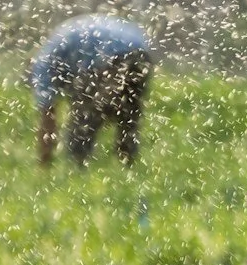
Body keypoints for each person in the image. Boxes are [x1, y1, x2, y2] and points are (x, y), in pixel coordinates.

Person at [31, 15, 155, 167]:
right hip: (139, 50)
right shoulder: (57, 44)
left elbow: (48, 118)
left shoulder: (43, 65)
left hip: (110, 56)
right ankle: (128, 168)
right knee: (128, 115)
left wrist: (44, 162)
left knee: (82, 123)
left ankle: (78, 173)